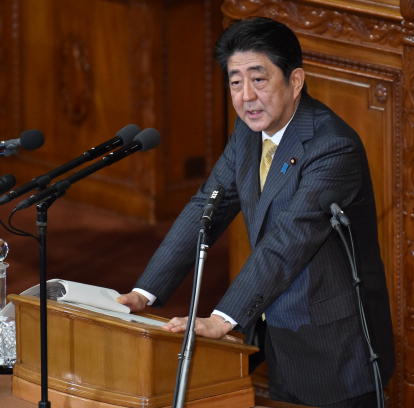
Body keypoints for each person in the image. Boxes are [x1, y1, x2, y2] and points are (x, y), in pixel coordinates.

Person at [117, 17, 395, 408]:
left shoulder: (333, 147)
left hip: (336, 349)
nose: (246, 96)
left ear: (295, 81)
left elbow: (289, 240)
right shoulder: (248, 133)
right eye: (235, 81)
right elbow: (206, 207)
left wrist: (223, 318)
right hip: (279, 334)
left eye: (258, 80)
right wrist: (145, 293)